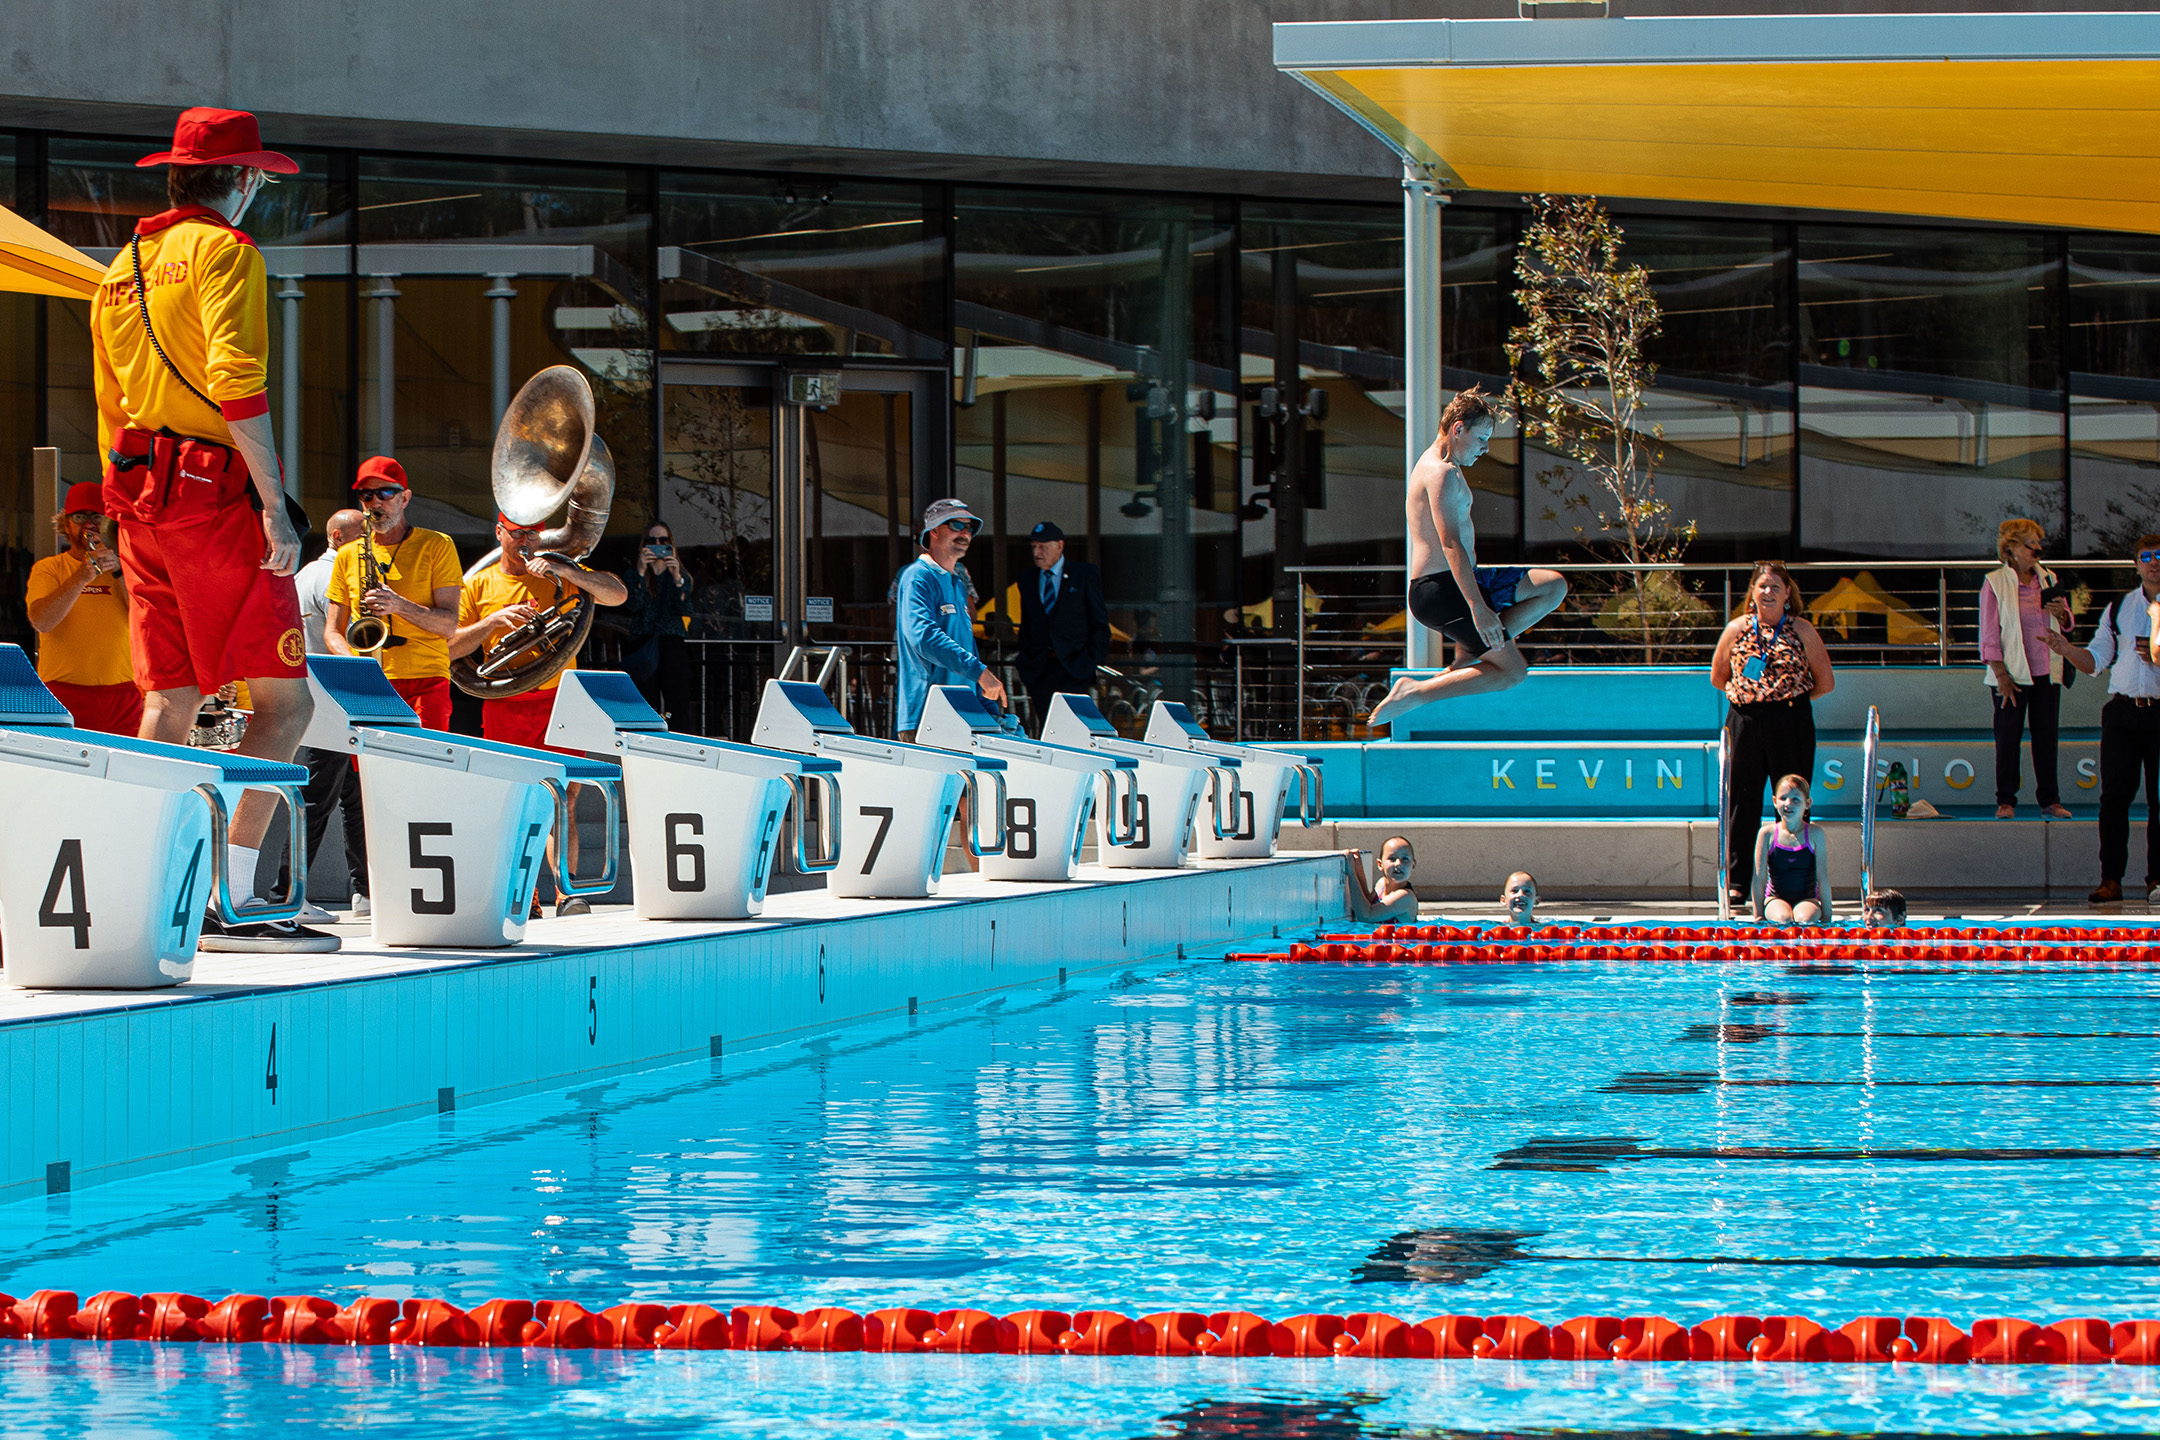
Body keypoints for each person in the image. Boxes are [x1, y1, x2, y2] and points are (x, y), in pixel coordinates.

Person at [90, 106, 333, 954]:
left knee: (172, 699)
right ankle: (230, 893)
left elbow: (112, 405)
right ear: (243, 179)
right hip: (210, 496)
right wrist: (273, 502)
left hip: (139, 501)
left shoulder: (119, 266)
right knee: (285, 702)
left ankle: (148, 883)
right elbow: (238, 379)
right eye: (259, 178)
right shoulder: (226, 252)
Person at [450, 513, 627, 916]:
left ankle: (566, 890)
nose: (526, 541)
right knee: (514, 801)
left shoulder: (559, 574)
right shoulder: (477, 583)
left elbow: (617, 594)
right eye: (517, 534)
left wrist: (567, 568)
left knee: (564, 799)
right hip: (505, 703)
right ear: (499, 533)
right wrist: (492, 623)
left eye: (533, 533)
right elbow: (448, 649)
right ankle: (524, 894)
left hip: (558, 704)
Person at [1369, 387, 1568, 728]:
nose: (1486, 448)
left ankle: (1470, 656)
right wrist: (1479, 609)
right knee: (1512, 673)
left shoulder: (1448, 466)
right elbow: (1450, 543)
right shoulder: (1441, 473)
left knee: (1552, 586)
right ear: (1458, 429)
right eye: (1482, 438)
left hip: (1466, 581)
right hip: (1443, 591)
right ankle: (1415, 692)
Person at [1711, 560, 1835, 907]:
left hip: (1790, 722)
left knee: (1792, 800)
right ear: (1751, 592)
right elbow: (1718, 677)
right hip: (1746, 722)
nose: (1768, 592)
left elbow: (1825, 682)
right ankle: (1738, 881)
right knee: (1742, 802)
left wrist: (1783, 699)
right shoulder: (1736, 629)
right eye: (1762, 586)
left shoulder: (1802, 630)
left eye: (1775, 587)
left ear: (1787, 594)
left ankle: (1796, 880)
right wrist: (1756, 699)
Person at [2047, 536, 2160, 906]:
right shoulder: (2119, 607)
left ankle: (2157, 879)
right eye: (2147, 557)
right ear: (2136, 564)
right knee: (2114, 798)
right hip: (2123, 711)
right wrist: (2067, 650)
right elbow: (2096, 661)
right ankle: (2111, 878)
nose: (2155, 563)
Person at [325, 457, 462, 729]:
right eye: (367, 495)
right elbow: (332, 631)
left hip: (426, 679)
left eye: (386, 493)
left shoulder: (437, 545)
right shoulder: (348, 554)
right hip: (370, 681)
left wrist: (399, 605)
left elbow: (448, 625)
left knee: (425, 764)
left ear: (405, 498)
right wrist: (355, 664)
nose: (376, 503)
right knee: (369, 768)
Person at [287, 507, 367, 922]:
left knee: (353, 795)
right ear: (336, 537)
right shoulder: (334, 576)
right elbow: (348, 634)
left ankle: (366, 889)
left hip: (314, 693)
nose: (368, 542)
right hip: (337, 694)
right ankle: (287, 890)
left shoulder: (301, 576)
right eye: (359, 534)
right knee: (319, 797)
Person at [25, 481, 142, 736]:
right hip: (64, 693)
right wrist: (82, 576)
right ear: (65, 524)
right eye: (80, 517)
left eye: (97, 517)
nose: (89, 525)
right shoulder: (49, 568)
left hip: (124, 695)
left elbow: (142, 622)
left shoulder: (128, 569)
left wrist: (120, 569)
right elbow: (42, 621)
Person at [1980, 517, 2074, 820]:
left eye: (2038, 542)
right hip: (2012, 673)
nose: (2038, 548)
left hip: (2047, 670)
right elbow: (1989, 633)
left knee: (2047, 736)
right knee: (2008, 736)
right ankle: (2006, 800)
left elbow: (2068, 624)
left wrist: (2062, 615)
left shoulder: (2048, 578)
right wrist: (2001, 675)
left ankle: (2051, 800)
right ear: (2012, 547)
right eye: (2031, 542)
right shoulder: (1995, 582)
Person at [895, 498, 1007, 741]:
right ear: (933, 530)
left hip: (964, 716)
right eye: (956, 525)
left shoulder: (957, 582)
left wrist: (987, 708)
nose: (965, 533)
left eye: (970, 528)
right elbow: (923, 637)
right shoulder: (917, 577)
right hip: (927, 717)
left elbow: (967, 645)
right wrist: (980, 672)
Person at [1015, 521, 1109, 734]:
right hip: (1040, 670)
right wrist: (1026, 661)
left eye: (1043, 547)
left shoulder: (1083, 574)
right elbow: (1027, 625)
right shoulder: (1027, 578)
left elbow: (1100, 624)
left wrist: (1088, 662)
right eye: (1034, 547)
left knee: (1074, 731)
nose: (1037, 552)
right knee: (1048, 730)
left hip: (1074, 668)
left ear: (1060, 545)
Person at [618, 519, 694, 724]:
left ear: (671, 545)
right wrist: (641, 572)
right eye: (652, 541)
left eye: (664, 541)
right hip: (643, 642)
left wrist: (677, 577)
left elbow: (685, 610)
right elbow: (633, 606)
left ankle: (680, 742)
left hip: (671, 642)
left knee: (677, 701)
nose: (658, 545)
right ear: (644, 545)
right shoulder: (633, 575)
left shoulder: (680, 576)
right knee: (645, 700)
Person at [1752, 773, 1831, 927]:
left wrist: (1827, 917)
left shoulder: (1816, 833)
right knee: (1782, 920)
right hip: (1775, 899)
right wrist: (1758, 916)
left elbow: (1823, 878)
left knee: (1806, 921)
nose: (1788, 804)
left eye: (1796, 799)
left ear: (1808, 803)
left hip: (1807, 899)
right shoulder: (1767, 834)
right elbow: (1758, 878)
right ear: (1774, 801)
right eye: (1783, 798)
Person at [1344, 837, 1418, 923]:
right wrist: (1358, 867)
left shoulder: (1405, 897)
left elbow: (1365, 917)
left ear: (1413, 865)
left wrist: (1351, 874)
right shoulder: (1381, 884)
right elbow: (1366, 903)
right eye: (1392, 858)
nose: (1398, 864)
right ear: (1380, 864)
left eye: (1405, 859)